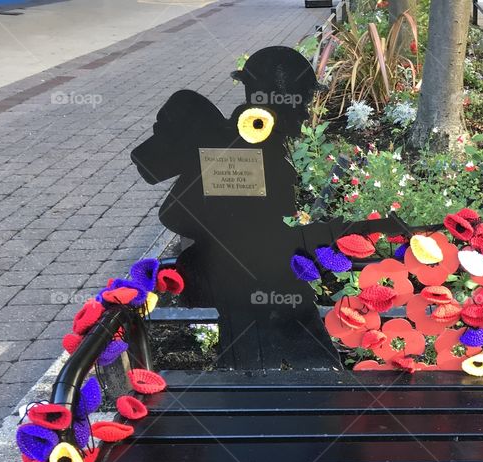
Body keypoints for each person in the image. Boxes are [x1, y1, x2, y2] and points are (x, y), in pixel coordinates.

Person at [130, 46, 335, 370]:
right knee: (279, 350)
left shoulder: (262, 148)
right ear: (277, 99)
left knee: (270, 351)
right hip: (243, 284)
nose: (306, 112)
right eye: (302, 100)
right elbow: (175, 212)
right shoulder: (243, 150)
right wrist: (229, 236)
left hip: (256, 281)